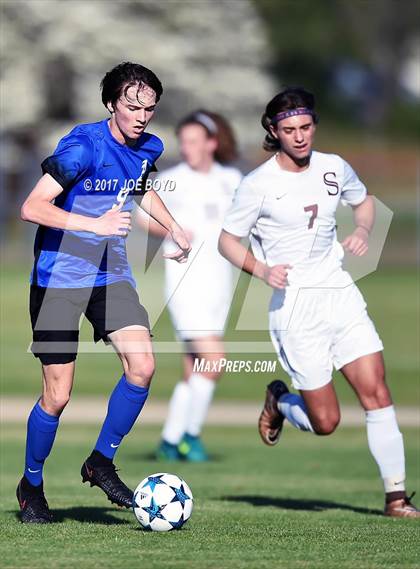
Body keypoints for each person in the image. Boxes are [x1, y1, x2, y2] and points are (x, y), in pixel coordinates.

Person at [218, 87, 419, 518]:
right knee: (325, 422)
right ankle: (281, 402)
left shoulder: (333, 167)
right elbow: (227, 241)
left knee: (378, 393)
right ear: (273, 131)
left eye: (306, 127)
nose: (300, 136)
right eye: (289, 129)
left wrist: (363, 230)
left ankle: (396, 498)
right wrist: (261, 270)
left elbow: (363, 202)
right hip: (294, 309)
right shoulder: (256, 185)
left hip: (340, 295)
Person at [16, 62, 191, 523]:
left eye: (149, 108)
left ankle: (100, 462)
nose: (141, 116)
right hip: (58, 278)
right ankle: (31, 483)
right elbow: (32, 207)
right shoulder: (81, 148)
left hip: (108, 274)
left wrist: (172, 227)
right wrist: (94, 224)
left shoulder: (147, 146)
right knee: (58, 395)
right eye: (132, 106)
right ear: (112, 103)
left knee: (144, 365)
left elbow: (140, 188)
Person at [138, 110, 241, 461]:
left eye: (194, 141)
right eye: (183, 142)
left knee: (194, 367)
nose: (187, 148)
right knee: (214, 359)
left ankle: (169, 441)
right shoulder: (172, 179)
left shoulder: (231, 179)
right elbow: (142, 217)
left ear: (212, 143)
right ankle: (190, 437)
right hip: (184, 283)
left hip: (219, 284)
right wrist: (172, 229)